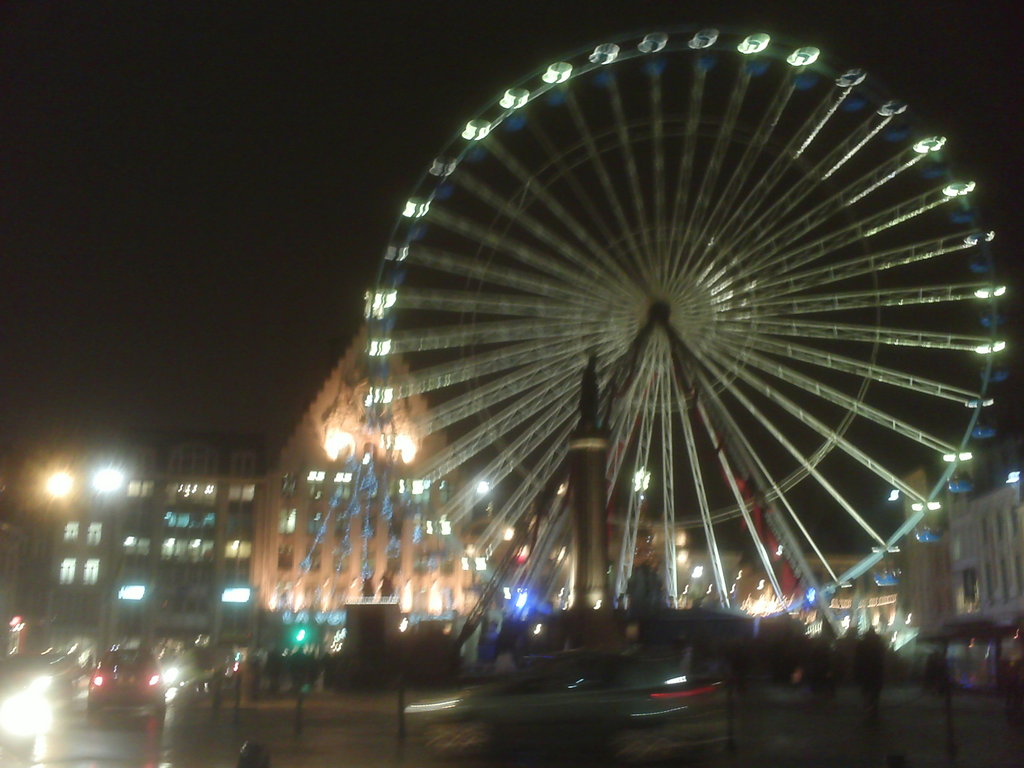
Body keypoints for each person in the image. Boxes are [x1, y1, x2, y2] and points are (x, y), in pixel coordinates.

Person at [854, 628, 885, 721]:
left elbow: (857, 659)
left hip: (865, 672)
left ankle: (867, 708)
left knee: (866, 691)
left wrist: (857, 672)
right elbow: (882, 658)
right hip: (876, 672)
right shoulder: (879, 644)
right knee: (875, 692)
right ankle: (873, 710)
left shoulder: (862, 644)